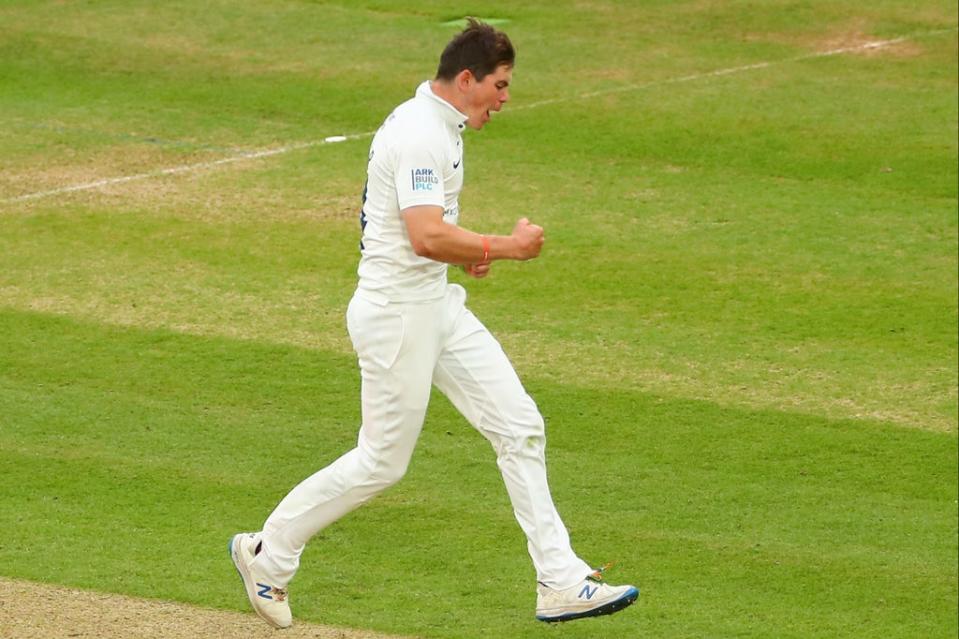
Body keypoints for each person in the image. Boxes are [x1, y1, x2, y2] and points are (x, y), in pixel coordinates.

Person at [230, 18, 638, 628]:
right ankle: (270, 551)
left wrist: (467, 249)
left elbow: (427, 231)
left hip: (433, 305)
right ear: (467, 78)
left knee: (519, 425)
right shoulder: (422, 133)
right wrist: (504, 246)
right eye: (499, 85)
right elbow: (423, 235)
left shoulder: (438, 126)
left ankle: (559, 580)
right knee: (382, 462)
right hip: (398, 315)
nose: (505, 98)